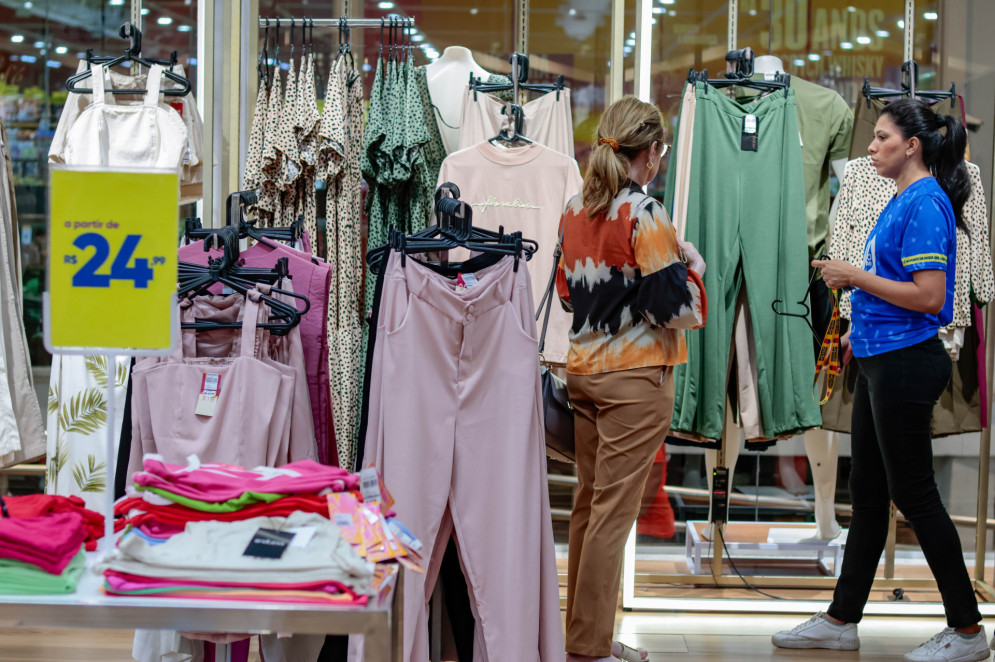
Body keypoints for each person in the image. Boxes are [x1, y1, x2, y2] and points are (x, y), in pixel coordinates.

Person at [773, 98, 986, 662]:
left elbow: (932, 297)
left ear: (911, 146)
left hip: (905, 365)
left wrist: (852, 275)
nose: (870, 147)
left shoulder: (924, 203)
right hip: (880, 358)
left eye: (882, 137)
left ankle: (968, 631)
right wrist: (857, 332)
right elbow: (901, 292)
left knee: (915, 495)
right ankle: (842, 620)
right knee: (867, 497)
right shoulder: (902, 200)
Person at [556, 95, 707, 662]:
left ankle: (585, 637)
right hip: (635, 380)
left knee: (590, 510)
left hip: (585, 373)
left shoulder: (575, 207)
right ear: (652, 153)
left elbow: (571, 291)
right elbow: (674, 308)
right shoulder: (644, 212)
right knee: (612, 518)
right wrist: (694, 267)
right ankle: (587, 649)